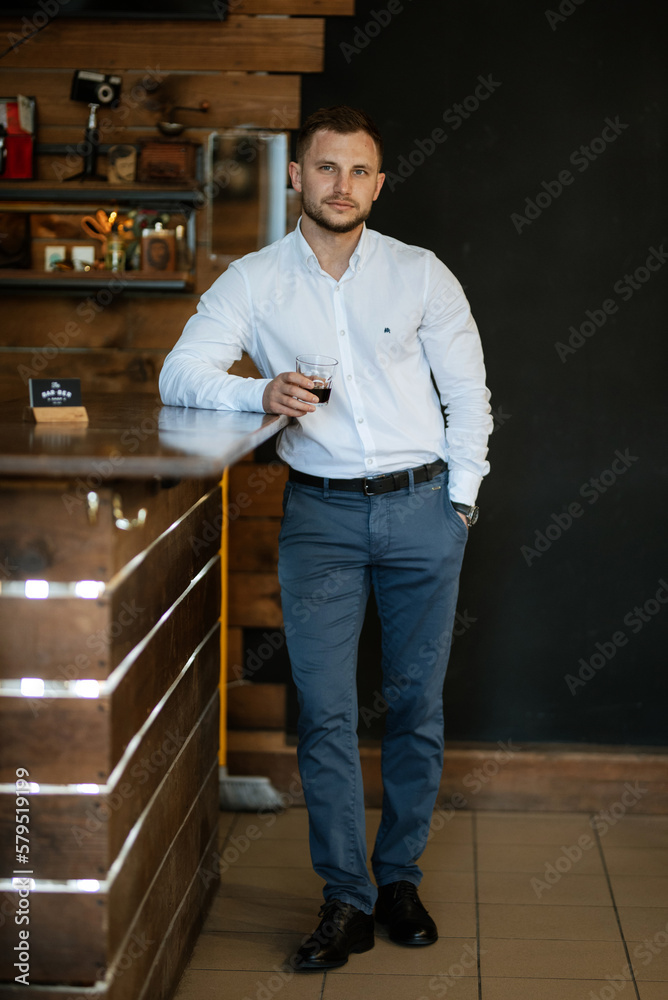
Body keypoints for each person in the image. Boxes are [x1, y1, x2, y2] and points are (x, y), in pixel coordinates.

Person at [159, 105, 492, 970]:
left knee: (416, 706)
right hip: (322, 518)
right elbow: (180, 372)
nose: (341, 186)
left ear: (378, 185)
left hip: (424, 512)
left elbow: (470, 397)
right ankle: (344, 898)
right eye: (326, 169)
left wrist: (459, 503)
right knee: (328, 715)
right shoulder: (254, 279)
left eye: (359, 172)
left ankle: (399, 881)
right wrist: (258, 394)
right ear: (299, 178)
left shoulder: (422, 274)